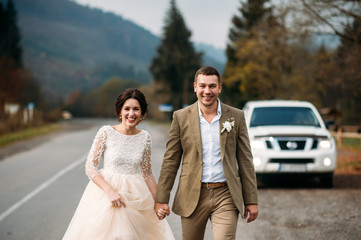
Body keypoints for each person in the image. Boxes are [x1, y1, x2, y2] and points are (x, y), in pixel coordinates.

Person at [154, 66, 258, 240]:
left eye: (212, 86)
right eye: (202, 86)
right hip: (192, 194)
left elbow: (245, 161)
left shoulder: (236, 117)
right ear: (195, 87)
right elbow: (170, 161)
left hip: (226, 194)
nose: (207, 91)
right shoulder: (180, 117)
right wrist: (161, 197)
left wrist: (251, 200)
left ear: (219, 88)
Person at [63, 88, 174, 240]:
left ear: (142, 113)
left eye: (136, 109)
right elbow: (90, 166)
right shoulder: (106, 132)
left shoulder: (145, 138)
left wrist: (159, 201)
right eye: (127, 109)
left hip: (136, 196)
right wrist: (109, 191)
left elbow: (147, 173)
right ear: (119, 111)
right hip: (106, 195)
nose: (131, 113)